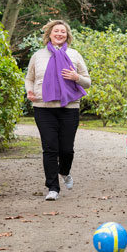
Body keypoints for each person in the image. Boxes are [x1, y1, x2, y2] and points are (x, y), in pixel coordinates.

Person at [25, 19, 91, 201]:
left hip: (69, 108)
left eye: (63, 31)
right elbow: (29, 78)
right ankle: (52, 187)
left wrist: (76, 77)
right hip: (43, 107)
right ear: (50, 34)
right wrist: (29, 91)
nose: (59, 34)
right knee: (49, 148)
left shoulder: (74, 55)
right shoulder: (38, 56)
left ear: (67, 35)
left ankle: (65, 171)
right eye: (56, 31)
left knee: (67, 150)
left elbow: (87, 81)